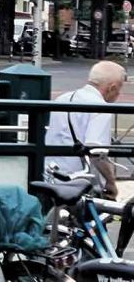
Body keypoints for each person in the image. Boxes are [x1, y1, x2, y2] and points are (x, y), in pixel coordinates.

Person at [45, 60, 126, 199]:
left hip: (49, 175)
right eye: (119, 89)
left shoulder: (62, 99)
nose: (118, 95)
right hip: (77, 181)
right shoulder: (100, 108)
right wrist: (111, 181)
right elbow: (97, 152)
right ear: (111, 88)